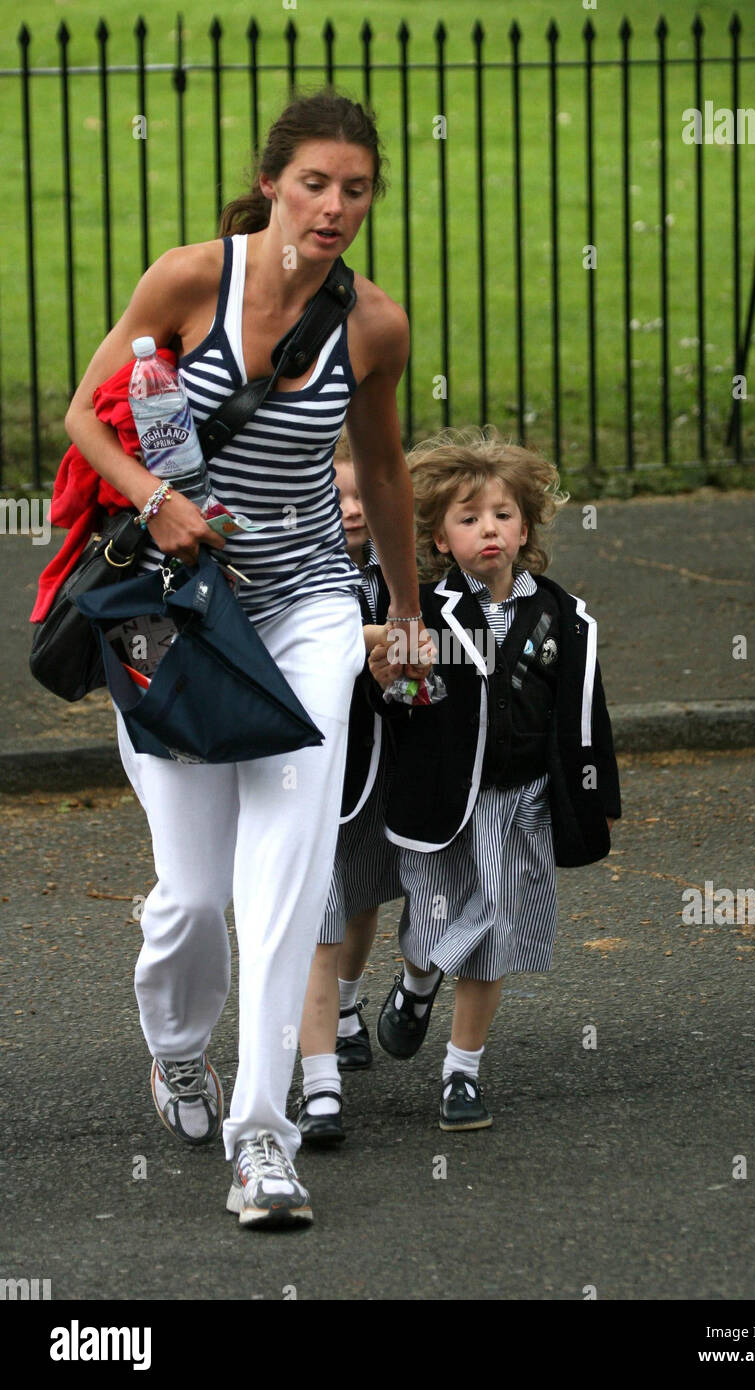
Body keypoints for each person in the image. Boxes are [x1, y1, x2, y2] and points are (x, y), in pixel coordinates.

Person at [63, 89, 430, 1228]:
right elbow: (86, 416)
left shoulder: (371, 326)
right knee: (191, 893)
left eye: (355, 189)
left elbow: (388, 470)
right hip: (174, 611)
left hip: (307, 609)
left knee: (283, 882)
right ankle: (176, 1046)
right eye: (315, 183)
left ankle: (264, 1141)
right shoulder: (186, 280)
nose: (334, 206)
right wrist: (158, 497)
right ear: (272, 182)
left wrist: (406, 611)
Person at [368, 428, 621, 1130]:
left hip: (522, 800)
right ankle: (417, 980)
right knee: (434, 924)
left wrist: (598, 797)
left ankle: (461, 1075)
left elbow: (584, 714)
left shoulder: (563, 618)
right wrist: (389, 679)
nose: (489, 530)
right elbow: (387, 704)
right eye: (469, 517)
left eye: (503, 515)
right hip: (441, 802)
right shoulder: (418, 611)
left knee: (495, 933)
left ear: (526, 527)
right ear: (440, 539)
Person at [295, 436, 408, 1145]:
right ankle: (320, 1086)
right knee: (316, 919)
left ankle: (344, 1006)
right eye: (333, 498)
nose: (351, 510)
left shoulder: (403, 577)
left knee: (363, 895)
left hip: (377, 761)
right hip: (306, 768)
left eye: (362, 495)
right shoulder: (300, 578)